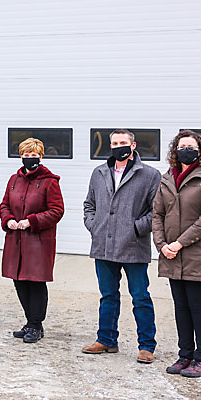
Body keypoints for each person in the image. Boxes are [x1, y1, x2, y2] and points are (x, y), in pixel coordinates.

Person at [82, 129, 161, 363]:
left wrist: (136, 228)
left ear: (133, 145)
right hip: (103, 246)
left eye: (123, 142)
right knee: (108, 295)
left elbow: (156, 210)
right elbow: (89, 204)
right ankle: (106, 339)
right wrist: (94, 226)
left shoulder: (149, 175)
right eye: (115, 143)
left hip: (134, 246)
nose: (119, 146)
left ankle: (146, 345)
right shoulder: (99, 173)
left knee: (140, 297)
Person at [153, 130, 201, 378]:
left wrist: (179, 243)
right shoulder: (167, 179)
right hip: (172, 254)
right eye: (182, 146)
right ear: (175, 151)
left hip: (198, 255)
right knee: (181, 307)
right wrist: (162, 244)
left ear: (200, 151)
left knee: (198, 306)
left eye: (191, 146)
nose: (186, 150)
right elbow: (157, 215)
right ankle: (185, 356)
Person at [0, 138, 65, 344]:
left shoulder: (49, 182)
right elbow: (4, 205)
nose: (29, 159)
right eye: (25, 155)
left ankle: (36, 324)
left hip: (37, 241)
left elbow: (56, 211)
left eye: (33, 155)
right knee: (19, 281)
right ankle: (29, 322)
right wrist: (8, 220)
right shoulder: (13, 180)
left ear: (41, 156)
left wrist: (31, 221)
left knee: (35, 282)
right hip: (15, 240)